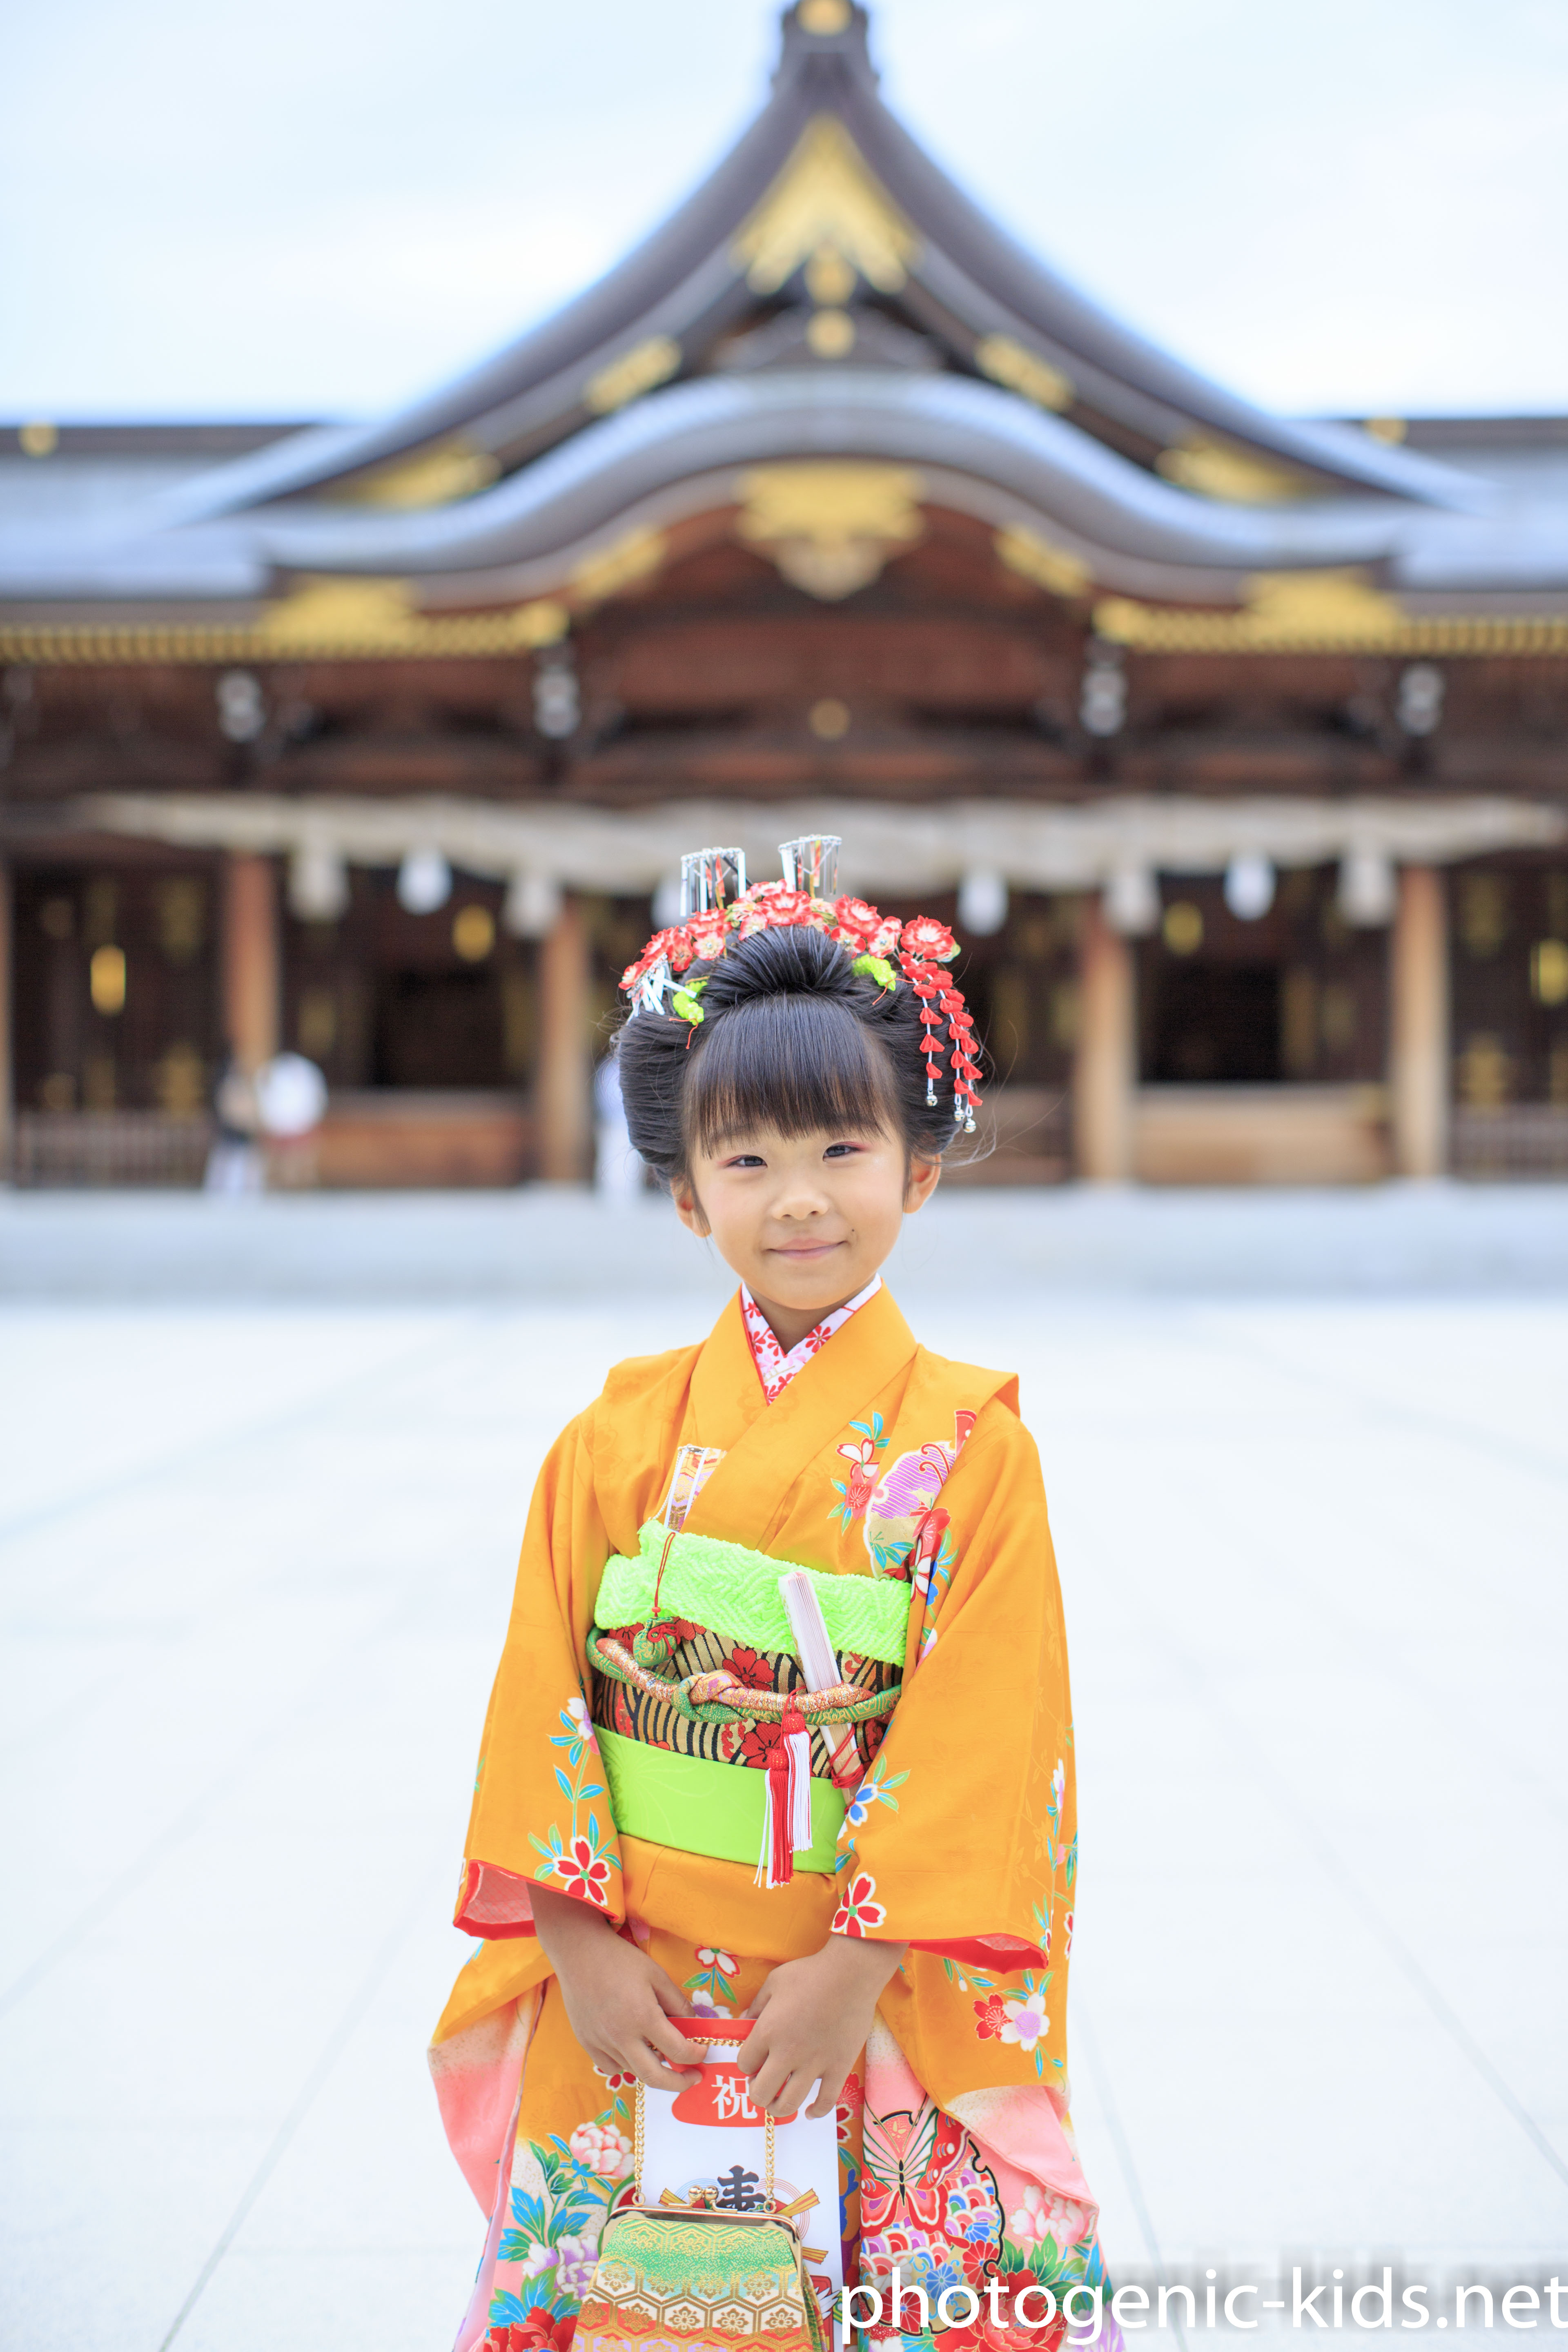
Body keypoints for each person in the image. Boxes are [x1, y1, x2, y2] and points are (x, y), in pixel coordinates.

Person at [431, 853, 1116, 2352]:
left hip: (868, 1990)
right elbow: (544, 1697)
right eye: (744, 1164)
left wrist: (856, 1966)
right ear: (684, 1199)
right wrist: (575, 1944)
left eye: (841, 1151)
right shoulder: (610, 1443)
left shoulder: (972, 1454)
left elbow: (992, 1734)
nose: (799, 1200)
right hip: (644, 1989)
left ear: (919, 1172)